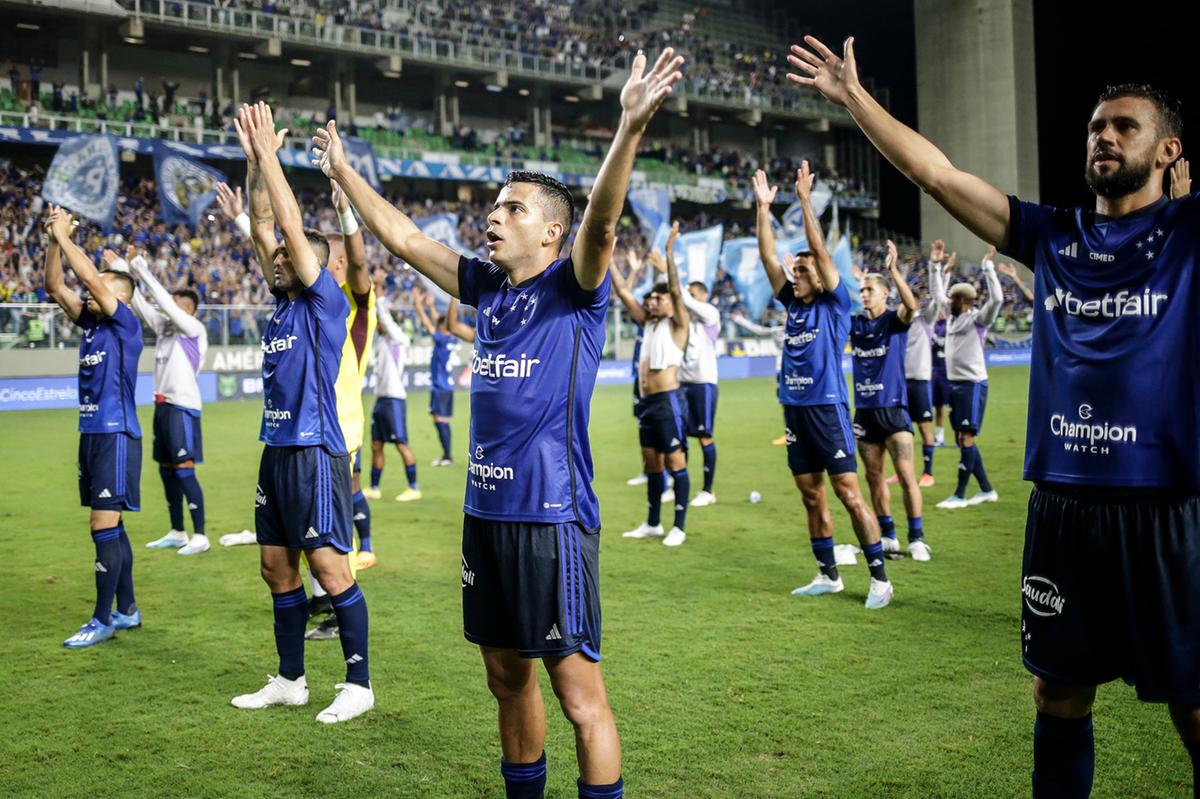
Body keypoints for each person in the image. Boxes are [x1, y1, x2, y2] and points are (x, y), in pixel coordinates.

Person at [791, 38, 1200, 792]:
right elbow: (936, 171)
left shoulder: (1186, 236)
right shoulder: (1054, 235)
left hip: (1166, 509)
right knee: (1057, 693)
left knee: (1193, 706)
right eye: (1094, 127)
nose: (1103, 136)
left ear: (1169, 148)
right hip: (1064, 507)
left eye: (1124, 127)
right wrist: (856, 100)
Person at [312, 45, 685, 799]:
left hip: (551, 518)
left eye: (512, 208)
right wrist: (344, 175)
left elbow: (605, 224)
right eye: (494, 206)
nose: (494, 217)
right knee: (505, 679)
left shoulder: (575, 287)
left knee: (580, 698)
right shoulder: (489, 288)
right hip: (485, 513)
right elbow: (410, 242)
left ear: (551, 231)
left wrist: (629, 130)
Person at [228, 102, 373, 724]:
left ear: (312, 263)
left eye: (288, 256)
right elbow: (265, 222)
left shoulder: (323, 301)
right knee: (273, 567)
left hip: (318, 447)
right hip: (277, 449)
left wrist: (271, 158)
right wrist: (254, 168)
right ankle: (291, 679)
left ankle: (359, 684)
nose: (276, 259)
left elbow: (283, 223)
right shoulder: (284, 304)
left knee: (329, 568)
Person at [752, 163, 893, 609]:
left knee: (848, 494)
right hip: (793, 408)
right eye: (795, 269)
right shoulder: (791, 303)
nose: (796, 273)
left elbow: (818, 251)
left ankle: (880, 579)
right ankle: (828, 575)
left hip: (827, 407)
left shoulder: (835, 303)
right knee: (810, 495)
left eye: (804, 269)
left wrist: (806, 201)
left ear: (822, 274)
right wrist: (762, 209)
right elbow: (766, 256)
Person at [43, 206, 144, 648]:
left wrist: (67, 239)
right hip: (92, 434)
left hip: (116, 433)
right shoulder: (90, 324)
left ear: (118, 296)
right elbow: (54, 286)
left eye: (102, 287)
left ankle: (102, 619)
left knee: (102, 525)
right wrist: (52, 239)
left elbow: (89, 282)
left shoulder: (125, 323)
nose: (89, 294)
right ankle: (127, 610)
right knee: (112, 527)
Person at [120, 248, 210, 556]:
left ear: (191, 310)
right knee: (167, 469)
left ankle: (200, 535)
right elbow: (140, 304)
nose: (170, 308)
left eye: (178, 304)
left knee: (184, 468)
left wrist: (143, 269)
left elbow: (163, 304)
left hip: (182, 406)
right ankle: (177, 530)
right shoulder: (164, 330)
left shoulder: (194, 331)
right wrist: (123, 269)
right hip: (162, 406)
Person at [851, 240, 930, 561]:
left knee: (907, 477)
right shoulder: (855, 324)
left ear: (885, 294)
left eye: (870, 289)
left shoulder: (894, 322)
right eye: (862, 290)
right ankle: (888, 536)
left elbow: (911, 306)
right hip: (865, 413)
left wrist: (894, 271)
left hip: (894, 410)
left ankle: (917, 538)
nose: (865, 294)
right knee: (873, 477)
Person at [619, 224, 692, 547]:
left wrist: (670, 255)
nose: (651, 301)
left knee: (676, 463)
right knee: (652, 466)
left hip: (667, 401)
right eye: (650, 297)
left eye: (657, 297)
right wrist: (604, 245)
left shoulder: (678, 324)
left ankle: (678, 525)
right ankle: (652, 523)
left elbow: (676, 292)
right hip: (647, 403)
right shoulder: (647, 324)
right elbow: (622, 291)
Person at [643, 249, 722, 507]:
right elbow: (668, 301)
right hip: (680, 384)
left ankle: (708, 490)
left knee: (704, 436)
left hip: (703, 383)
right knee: (681, 439)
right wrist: (660, 273)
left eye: (694, 293)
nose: (689, 296)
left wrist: (669, 273)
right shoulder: (676, 320)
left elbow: (682, 299)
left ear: (703, 297)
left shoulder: (710, 315)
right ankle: (678, 488)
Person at [928, 245, 1002, 509]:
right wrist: (935, 266)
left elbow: (997, 301)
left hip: (972, 385)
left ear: (962, 301)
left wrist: (988, 268)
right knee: (962, 438)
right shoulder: (951, 318)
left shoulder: (978, 320)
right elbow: (937, 294)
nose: (947, 302)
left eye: (952, 299)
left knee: (966, 438)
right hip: (955, 385)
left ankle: (959, 495)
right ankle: (986, 490)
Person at [363, 286, 421, 503]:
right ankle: (374, 487)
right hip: (381, 400)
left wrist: (379, 295)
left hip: (395, 399)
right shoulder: (379, 343)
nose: (378, 322)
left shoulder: (398, 339)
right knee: (376, 445)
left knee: (401, 444)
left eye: (380, 320)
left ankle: (413, 487)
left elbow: (385, 318)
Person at [896, 242, 945, 486]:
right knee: (901, 432)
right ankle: (903, 471)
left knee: (924, 427)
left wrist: (934, 266)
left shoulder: (925, 320)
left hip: (919, 380)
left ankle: (928, 473)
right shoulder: (897, 323)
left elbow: (938, 298)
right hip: (899, 382)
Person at [413, 291, 457, 466]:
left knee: (440, 421)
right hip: (447, 386)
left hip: (441, 386)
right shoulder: (450, 338)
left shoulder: (441, 339)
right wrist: (431, 306)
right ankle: (446, 455)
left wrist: (418, 306)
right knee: (440, 420)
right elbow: (439, 321)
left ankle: (447, 456)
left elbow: (429, 324)